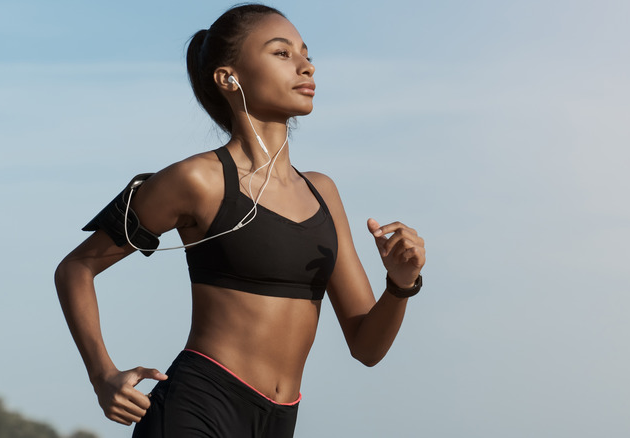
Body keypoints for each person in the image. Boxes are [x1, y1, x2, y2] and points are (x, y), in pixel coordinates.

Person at [54, 4, 426, 437]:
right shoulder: (198, 180)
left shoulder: (323, 192)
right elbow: (77, 267)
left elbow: (367, 347)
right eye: (282, 53)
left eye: (306, 54)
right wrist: (102, 375)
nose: (306, 65)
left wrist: (400, 284)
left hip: (279, 422)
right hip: (199, 411)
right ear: (229, 78)